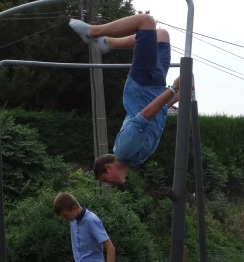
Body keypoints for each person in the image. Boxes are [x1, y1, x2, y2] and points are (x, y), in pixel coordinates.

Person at [69, 13, 186, 186]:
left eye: (105, 180)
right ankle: (107, 43)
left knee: (146, 22)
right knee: (161, 35)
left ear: (108, 168)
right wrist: (177, 96)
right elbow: (155, 117)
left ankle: (93, 32)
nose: (110, 184)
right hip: (154, 87)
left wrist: (173, 89)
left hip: (142, 86)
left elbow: (145, 115)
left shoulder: (124, 152)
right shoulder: (134, 160)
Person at [53, 192, 116, 262]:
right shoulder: (73, 220)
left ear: (74, 208)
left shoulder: (91, 220)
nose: (64, 218)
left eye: (65, 215)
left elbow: (110, 247)